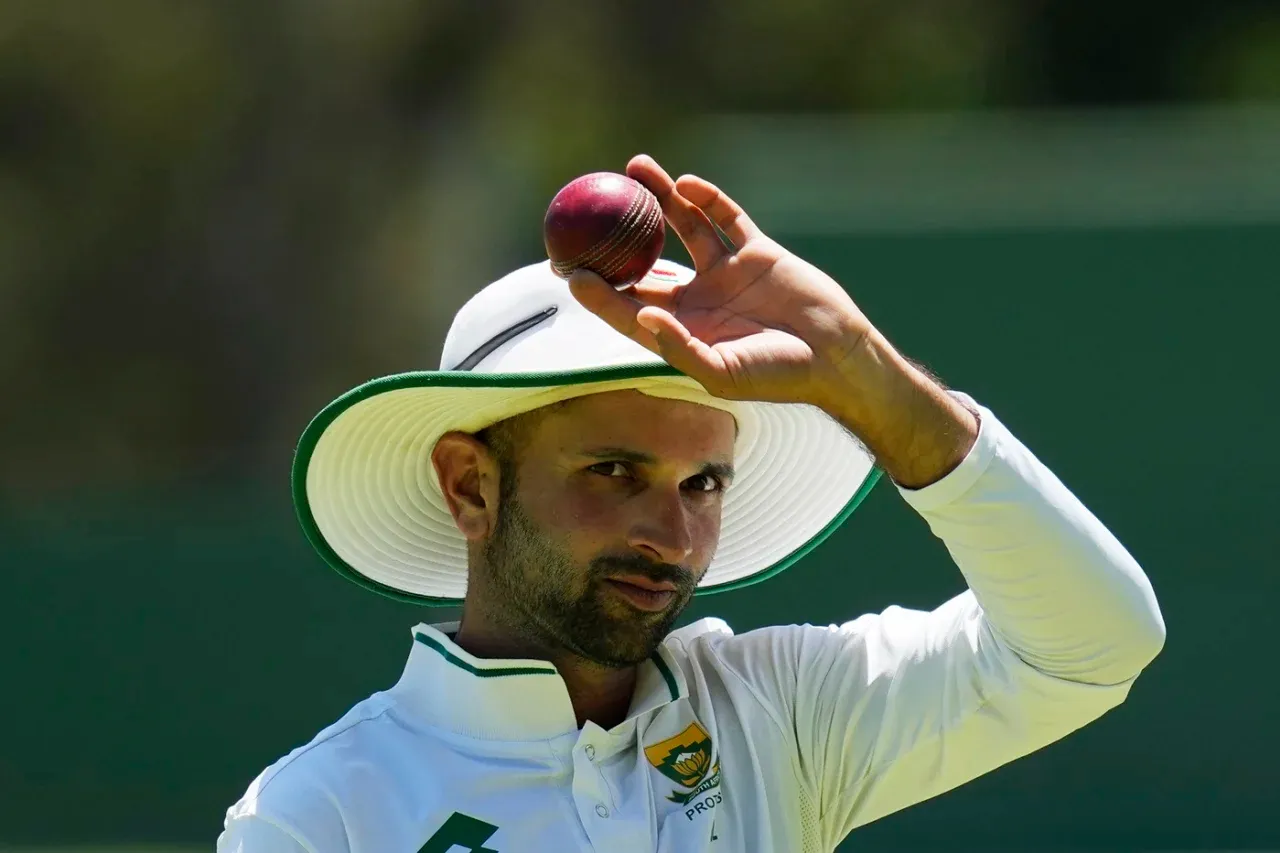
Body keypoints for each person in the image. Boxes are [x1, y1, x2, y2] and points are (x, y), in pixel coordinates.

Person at [218, 155, 1165, 853]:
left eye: (703, 483)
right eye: (614, 473)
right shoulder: (315, 817)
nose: (672, 537)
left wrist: (867, 375)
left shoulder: (777, 713)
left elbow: (1093, 646)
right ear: (471, 484)